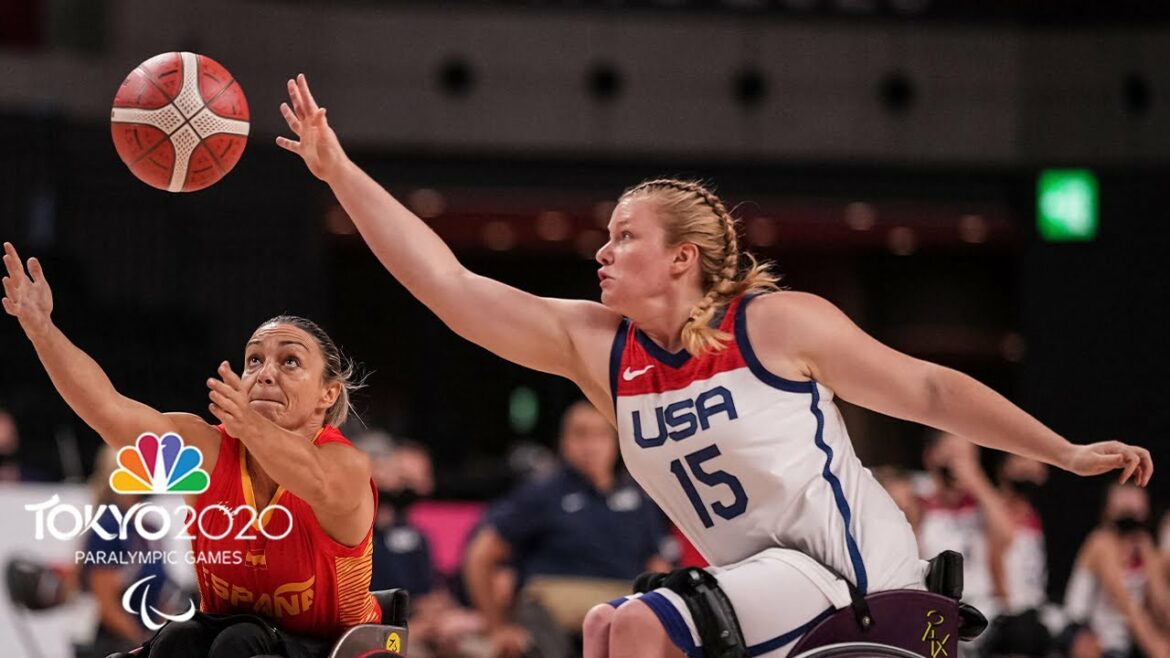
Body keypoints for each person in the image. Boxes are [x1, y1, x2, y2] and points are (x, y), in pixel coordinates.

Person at [275, 74, 1154, 658]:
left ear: (684, 258)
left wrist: (1065, 453)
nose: (603, 251)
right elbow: (447, 283)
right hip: (762, 579)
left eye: (626, 236)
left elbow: (929, 388)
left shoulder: (773, 324)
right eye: (607, 234)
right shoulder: (598, 349)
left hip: (855, 574)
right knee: (603, 625)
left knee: (643, 629)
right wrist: (338, 170)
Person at [2, 241, 380, 658]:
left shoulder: (346, 464)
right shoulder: (209, 450)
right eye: (253, 361)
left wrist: (251, 425)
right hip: (224, 635)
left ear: (328, 393)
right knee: (177, 642)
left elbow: (312, 479)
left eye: (289, 361)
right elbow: (108, 410)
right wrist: (42, 331)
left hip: (332, 646)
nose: (265, 373)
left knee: (239, 644)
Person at [463, 400, 671, 658]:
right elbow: (481, 554)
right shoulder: (542, 493)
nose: (590, 445)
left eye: (600, 434)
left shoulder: (639, 499)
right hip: (552, 617)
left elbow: (658, 564)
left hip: (621, 609)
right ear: (564, 441)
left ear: (616, 442)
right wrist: (497, 627)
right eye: (580, 434)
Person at [1065, 483, 1170, 658]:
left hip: (1125, 636)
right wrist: (1157, 648)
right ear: (1108, 510)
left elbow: (1160, 603)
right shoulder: (1101, 542)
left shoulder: (1145, 546)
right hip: (1086, 629)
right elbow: (1124, 601)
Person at [918, 432, 1013, 621]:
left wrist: (977, 483)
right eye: (954, 456)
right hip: (935, 606)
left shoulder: (981, 506)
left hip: (983, 607)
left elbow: (1008, 536)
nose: (961, 466)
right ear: (931, 457)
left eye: (969, 458)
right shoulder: (919, 502)